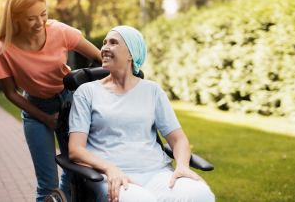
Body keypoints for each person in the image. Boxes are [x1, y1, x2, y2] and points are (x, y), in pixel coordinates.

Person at [68, 26, 215, 202]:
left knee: (201, 194)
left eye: (113, 43)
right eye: (104, 42)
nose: (105, 47)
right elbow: (75, 150)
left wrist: (182, 166)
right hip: (111, 176)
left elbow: (179, 140)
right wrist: (109, 168)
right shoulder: (87, 92)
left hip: (157, 173)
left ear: (131, 54)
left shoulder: (152, 90)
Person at [0, 0, 102, 202]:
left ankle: (61, 198)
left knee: (75, 173)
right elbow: (11, 93)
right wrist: (42, 116)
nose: (39, 22)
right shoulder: (2, 49)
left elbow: (99, 58)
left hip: (69, 104)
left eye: (43, 14)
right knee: (46, 183)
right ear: (15, 17)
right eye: (31, 18)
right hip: (35, 111)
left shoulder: (59, 31)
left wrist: (87, 88)